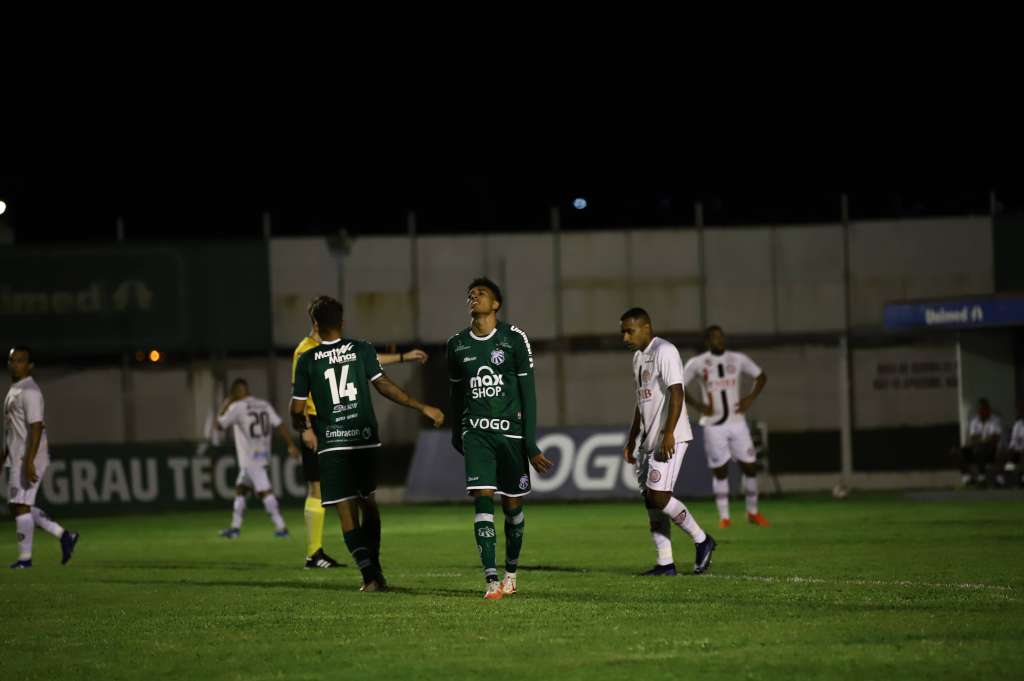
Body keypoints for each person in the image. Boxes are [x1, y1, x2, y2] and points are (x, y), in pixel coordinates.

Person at [291, 296, 443, 592]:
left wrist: (301, 424)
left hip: (333, 444)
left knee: (345, 510)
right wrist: (421, 407)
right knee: (368, 504)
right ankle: (375, 566)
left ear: (315, 324)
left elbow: (297, 409)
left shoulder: (307, 358)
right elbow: (384, 385)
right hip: (363, 440)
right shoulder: (360, 349)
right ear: (342, 322)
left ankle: (369, 574)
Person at [446, 278, 553, 600]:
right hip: (476, 432)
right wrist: (456, 430)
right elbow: (455, 392)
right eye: (470, 294)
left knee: (513, 507)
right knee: (482, 498)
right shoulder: (456, 344)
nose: (473, 297)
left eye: (481, 294)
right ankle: (491, 580)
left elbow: (528, 393)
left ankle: (511, 572)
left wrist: (530, 442)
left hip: (510, 434)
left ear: (496, 304)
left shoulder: (513, 339)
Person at [620, 309, 716, 576]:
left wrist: (669, 433)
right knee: (651, 501)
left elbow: (677, 391)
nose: (625, 337)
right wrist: (632, 437)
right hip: (649, 440)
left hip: (670, 437)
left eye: (630, 330)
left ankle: (702, 539)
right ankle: (665, 563)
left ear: (646, 327)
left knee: (659, 496)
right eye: (623, 332)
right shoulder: (638, 358)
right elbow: (641, 402)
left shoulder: (665, 351)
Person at [682, 325, 769, 528]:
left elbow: (761, 376)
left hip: (737, 422)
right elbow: (678, 384)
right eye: (714, 337)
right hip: (713, 426)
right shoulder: (697, 363)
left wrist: (750, 398)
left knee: (750, 467)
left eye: (721, 336)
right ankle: (725, 517)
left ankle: (753, 512)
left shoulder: (737, 359)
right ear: (707, 342)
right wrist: (698, 405)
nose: (718, 340)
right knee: (720, 471)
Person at [3, 347, 78, 568]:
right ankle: (65, 535)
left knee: (21, 505)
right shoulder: (14, 390)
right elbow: (12, 430)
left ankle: (25, 560)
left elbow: (36, 427)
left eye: (20, 360)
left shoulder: (30, 391)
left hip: (29, 455)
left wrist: (29, 461)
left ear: (30, 365)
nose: (15, 364)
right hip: (18, 454)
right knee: (17, 505)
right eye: (12, 360)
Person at [214, 378, 301, 539]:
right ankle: (235, 528)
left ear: (235, 392)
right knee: (241, 489)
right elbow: (280, 424)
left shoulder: (237, 406)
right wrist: (291, 445)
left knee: (264, 491)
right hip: (263, 453)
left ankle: (281, 527)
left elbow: (218, 425)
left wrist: (226, 403)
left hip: (249, 457)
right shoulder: (263, 404)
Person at [960, 398, 1002, 487]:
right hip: (977, 448)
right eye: (981, 409)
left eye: (985, 409)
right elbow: (973, 438)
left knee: (983, 448)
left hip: (991, 450)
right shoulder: (974, 421)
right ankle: (967, 477)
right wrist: (984, 439)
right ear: (978, 410)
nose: (983, 411)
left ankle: (982, 477)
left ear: (988, 409)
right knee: (961, 450)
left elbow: (995, 438)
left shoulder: (995, 420)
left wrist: (982, 440)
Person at [998, 400, 1024, 488]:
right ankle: (1002, 478)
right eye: (1020, 410)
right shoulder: (1018, 424)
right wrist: (1010, 449)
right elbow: (1013, 441)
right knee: (1002, 453)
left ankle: (1021, 478)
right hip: (1018, 451)